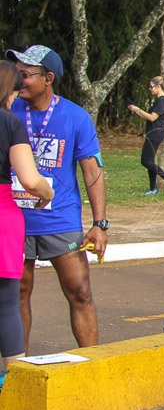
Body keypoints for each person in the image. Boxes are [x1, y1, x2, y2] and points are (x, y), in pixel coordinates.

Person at [6, 45, 108, 354]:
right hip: (16, 220)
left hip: (60, 219)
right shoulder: (8, 111)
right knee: (18, 295)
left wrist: (99, 224)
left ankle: (91, 365)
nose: (18, 80)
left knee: (79, 291)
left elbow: (92, 171)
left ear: (48, 78)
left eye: (24, 74)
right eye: (16, 73)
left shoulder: (76, 117)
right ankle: (17, 370)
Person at [0, 62, 54, 392]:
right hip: (3, 215)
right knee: (6, 303)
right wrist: (46, 194)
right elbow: (30, 180)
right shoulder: (10, 123)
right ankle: (15, 385)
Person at [128, 76, 164, 195]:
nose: (150, 89)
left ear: (158, 86)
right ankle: (152, 189)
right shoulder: (158, 100)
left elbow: (152, 117)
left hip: (156, 133)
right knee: (149, 160)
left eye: (151, 87)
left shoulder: (161, 101)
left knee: (145, 161)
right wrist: (136, 111)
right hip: (152, 133)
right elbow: (149, 117)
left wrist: (138, 109)